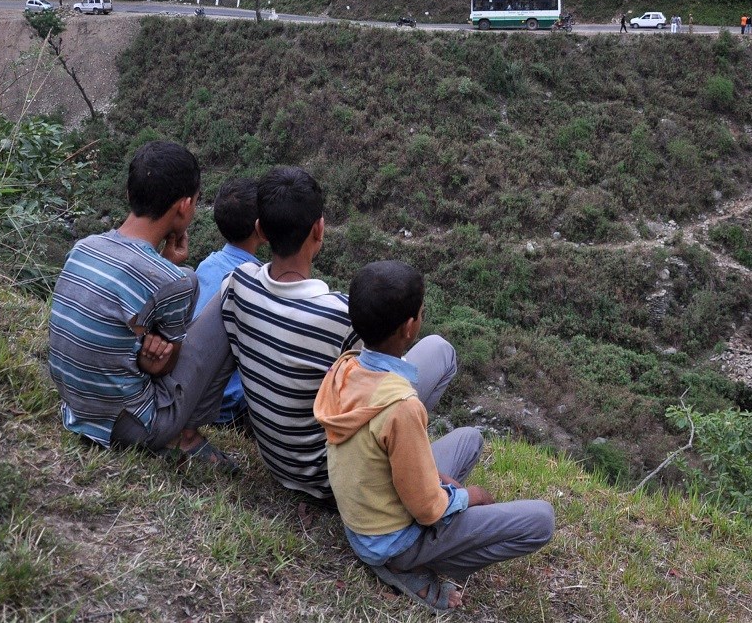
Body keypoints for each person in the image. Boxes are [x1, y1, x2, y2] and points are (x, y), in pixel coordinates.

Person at [316, 260, 554, 612]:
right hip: (388, 540)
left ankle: (423, 531)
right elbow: (428, 510)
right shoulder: (402, 407)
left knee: (469, 438)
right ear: (410, 327)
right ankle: (409, 565)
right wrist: (464, 496)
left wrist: (430, 475)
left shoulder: (346, 366)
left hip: (363, 512)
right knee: (541, 521)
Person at [220, 167, 459, 504]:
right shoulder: (339, 317)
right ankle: (407, 454)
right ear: (319, 229)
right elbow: (389, 386)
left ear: (260, 229)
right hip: (335, 482)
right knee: (439, 351)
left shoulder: (235, 285)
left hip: (278, 464)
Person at [48, 140, 237, 468]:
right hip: (132, 427)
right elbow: (166, 365)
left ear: (129, 193)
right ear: (184, 206)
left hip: (75, 408)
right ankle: (187, 435)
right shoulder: (176, 280)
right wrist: (172, 269)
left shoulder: (85, 247)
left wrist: (164, 265)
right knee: (231, 295)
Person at [192, 178, 264, 426]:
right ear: (261, 228)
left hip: (193, 394)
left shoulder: (207, 265)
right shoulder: (258, 282)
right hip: (229, 407)